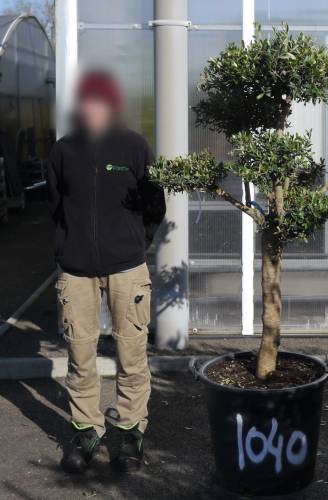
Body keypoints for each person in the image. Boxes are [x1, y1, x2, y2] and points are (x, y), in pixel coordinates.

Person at [47, 70, 165, 474]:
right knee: (80, 355)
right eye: (87, 101)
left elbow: (155, 204)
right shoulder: (63, 151)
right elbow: (56, 207)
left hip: (127, 269)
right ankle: (86, 432)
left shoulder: (134, 146)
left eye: (100, 101)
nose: (93, 108)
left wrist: (134, 244)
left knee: (131, 354)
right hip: (76, 272)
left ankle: (130, 433)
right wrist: (68, 248)